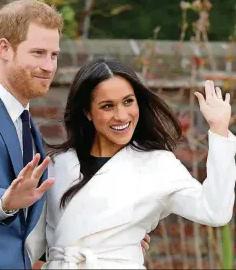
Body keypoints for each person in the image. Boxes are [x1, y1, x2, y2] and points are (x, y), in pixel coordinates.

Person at [0, 0, 150, 269]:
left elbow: (30, 231)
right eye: (38, 53)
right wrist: (3, 201)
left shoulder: (27, 125)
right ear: (4, 48)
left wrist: (109, 238)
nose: (48, 66)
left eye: (53, 55)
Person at [26, 58, 236, 269]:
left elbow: (215, 211)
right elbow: (32, 245)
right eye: (107, 106)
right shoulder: (57, 164)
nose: (121, 115)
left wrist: (219, 130)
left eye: (128, 101)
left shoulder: (157, 165)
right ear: (87, 112)